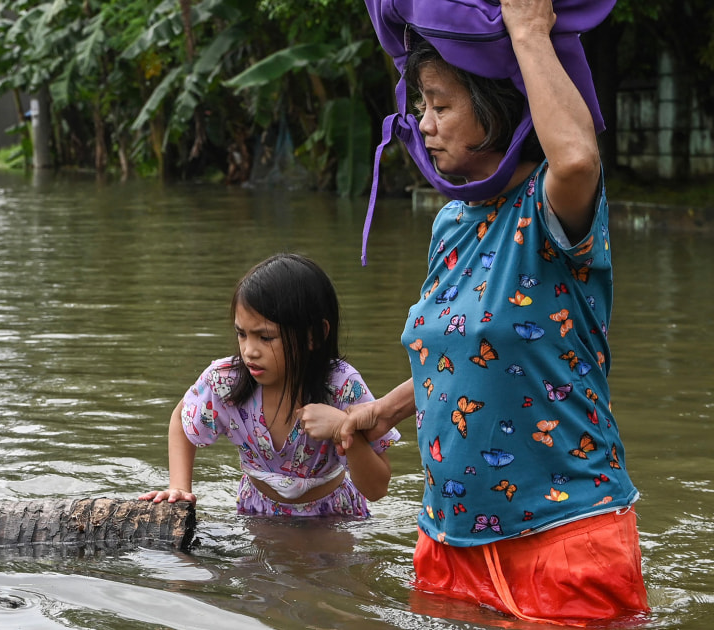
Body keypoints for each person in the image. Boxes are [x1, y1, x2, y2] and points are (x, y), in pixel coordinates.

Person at [300, 0, 648, 623]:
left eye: (441, 105)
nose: (423, 125)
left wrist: (528, 30)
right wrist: (376, 413)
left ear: (493, 109)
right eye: (421, 106)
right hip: (447, 542)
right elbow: (460, 353)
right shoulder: (451, 224)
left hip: (563, 538)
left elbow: (576, 159)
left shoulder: (552, 216)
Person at [139, 254, 399, 517]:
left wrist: (344, 431)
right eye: (242, 334)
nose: (250, 351)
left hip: (333, 518)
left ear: (314, 335)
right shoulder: (226, 381)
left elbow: (377, 489)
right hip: (257, 513)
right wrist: (180, 487)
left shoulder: (342, 387)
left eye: (265, 337)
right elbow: (182, 417)